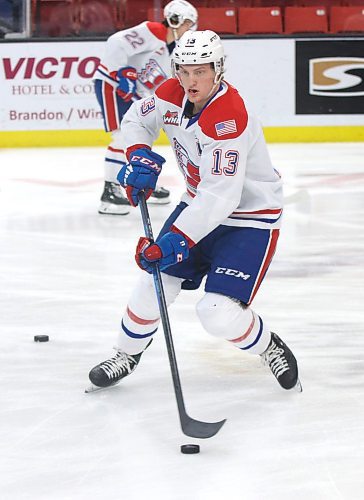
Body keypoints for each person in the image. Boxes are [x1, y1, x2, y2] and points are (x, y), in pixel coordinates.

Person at [89, 30, 301, 392]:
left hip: (249, 218)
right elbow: (136, 120)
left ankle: (269, 346)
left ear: (218, 70)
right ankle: (126, 353)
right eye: (184, 71)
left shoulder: (228, 118)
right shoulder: (171, 93)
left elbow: (221, 196)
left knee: (215, 312)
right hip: (198, 204)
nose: (191, 81)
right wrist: (138, 153)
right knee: (154, 281)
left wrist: (176, 239)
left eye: (200, 71)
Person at [94, 0, 198, 215]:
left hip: (135, 92)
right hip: (112, 86)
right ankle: (110, 191)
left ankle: (140, 181)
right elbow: (116, 42)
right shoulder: (154, 31)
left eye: (191, 24)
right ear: (174, 19)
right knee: (123, 136)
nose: (189, 28)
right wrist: (120, 72)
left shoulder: (173, 50)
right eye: (186, 22)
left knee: (142, 134)